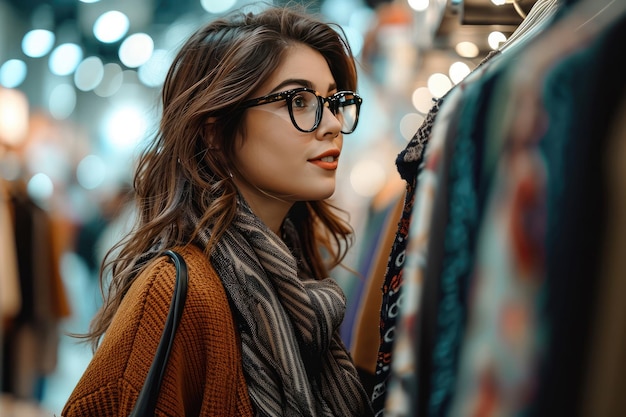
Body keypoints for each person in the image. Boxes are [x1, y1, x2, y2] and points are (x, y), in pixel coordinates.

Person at [62, 4, 373, 417]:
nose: (331, 122)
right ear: (215, 131)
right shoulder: (177, 289)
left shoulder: (299, 283)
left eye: (333, 100)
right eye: (299, 100)